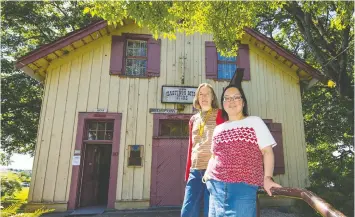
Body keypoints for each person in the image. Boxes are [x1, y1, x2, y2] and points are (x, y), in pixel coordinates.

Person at [203, 72, 281, 217]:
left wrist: (267, 178)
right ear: (223, 104)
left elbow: (267, 152)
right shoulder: (219, 128)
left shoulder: (255, 122)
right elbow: (214, 156)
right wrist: (207, 176)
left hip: (243, 187)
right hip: (215, 187)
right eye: (226, 98)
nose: (231, 101)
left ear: (243, 102)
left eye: (236, 97)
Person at [181, 83, 224, 217]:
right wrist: (188, 172)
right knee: (187, 212)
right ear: (197, 97)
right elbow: (191, 147)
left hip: (213, 171)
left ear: (213, 97)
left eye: (207, 94)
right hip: (195, 171)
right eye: (201, 94)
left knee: (210, 212)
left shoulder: (221, 115)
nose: (204, 97)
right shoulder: (193, 119)